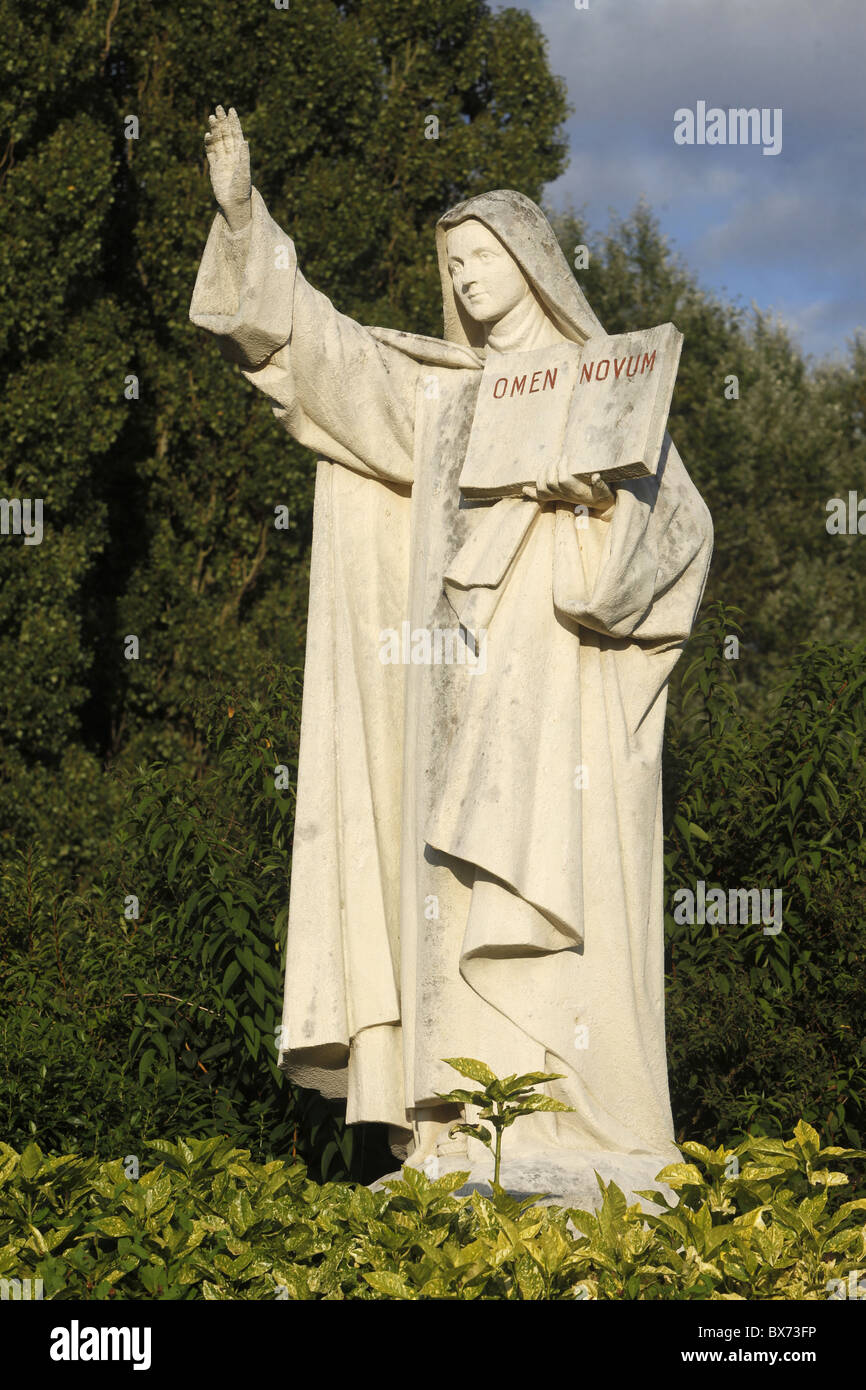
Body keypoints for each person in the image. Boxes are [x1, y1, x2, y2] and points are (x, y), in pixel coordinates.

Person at [190, 106, 713, 1174]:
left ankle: (579, 1125)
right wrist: (246, 223)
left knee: (561, 883)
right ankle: (473, 1127)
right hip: (454, 690)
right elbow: (326, 354)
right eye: (455, 262)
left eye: (483, 257)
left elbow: (683, 533)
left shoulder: (607, 385)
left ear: (531, 265)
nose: (468, 278)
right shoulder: (443, 402)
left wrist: (594, 513)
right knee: (453, 896)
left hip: (564, 683)